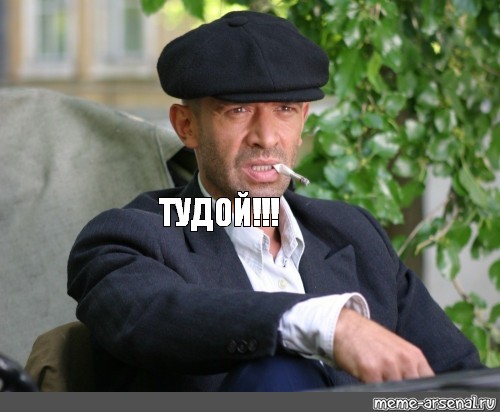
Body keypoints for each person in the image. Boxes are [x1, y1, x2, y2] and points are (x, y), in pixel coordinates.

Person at [67, 10, 483, 392]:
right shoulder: (131, 236)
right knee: (276, 372)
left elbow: (462, 383)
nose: (266, 137)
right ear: (186, 125)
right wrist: (325, 325)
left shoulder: (355, 233)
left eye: (284, 109)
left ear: (303, 121)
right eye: (238, 110)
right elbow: (150, 316)